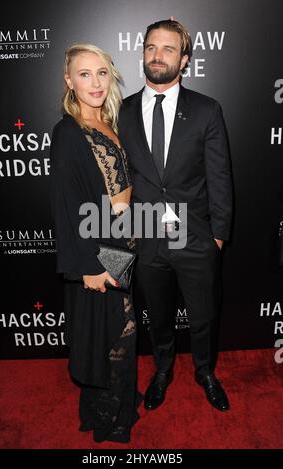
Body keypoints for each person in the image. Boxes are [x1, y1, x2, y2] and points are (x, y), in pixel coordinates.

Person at [118, 20, 233, 412]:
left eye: (168, 49)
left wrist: (217, 237)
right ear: (143, 52)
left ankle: (205, 371)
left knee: (203, 316)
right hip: (146, 237)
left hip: (195, 237)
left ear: (184, 60)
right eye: (151, 47)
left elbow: (219, 177)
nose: (157, 55)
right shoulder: (122, 111)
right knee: (158, 316)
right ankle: (162, 370)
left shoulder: (206, 110)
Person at [50, 43, 141, 443]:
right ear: (69, 81)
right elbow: (66, 204)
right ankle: (109, 418)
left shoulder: (108, 122)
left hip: (122, 240)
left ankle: (118, 401)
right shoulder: (69, 132)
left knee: (121, 328)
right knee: (112, 334)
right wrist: (88, 266)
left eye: (102, 72)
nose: (95, 82)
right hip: (99, 248)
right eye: (84, 74)